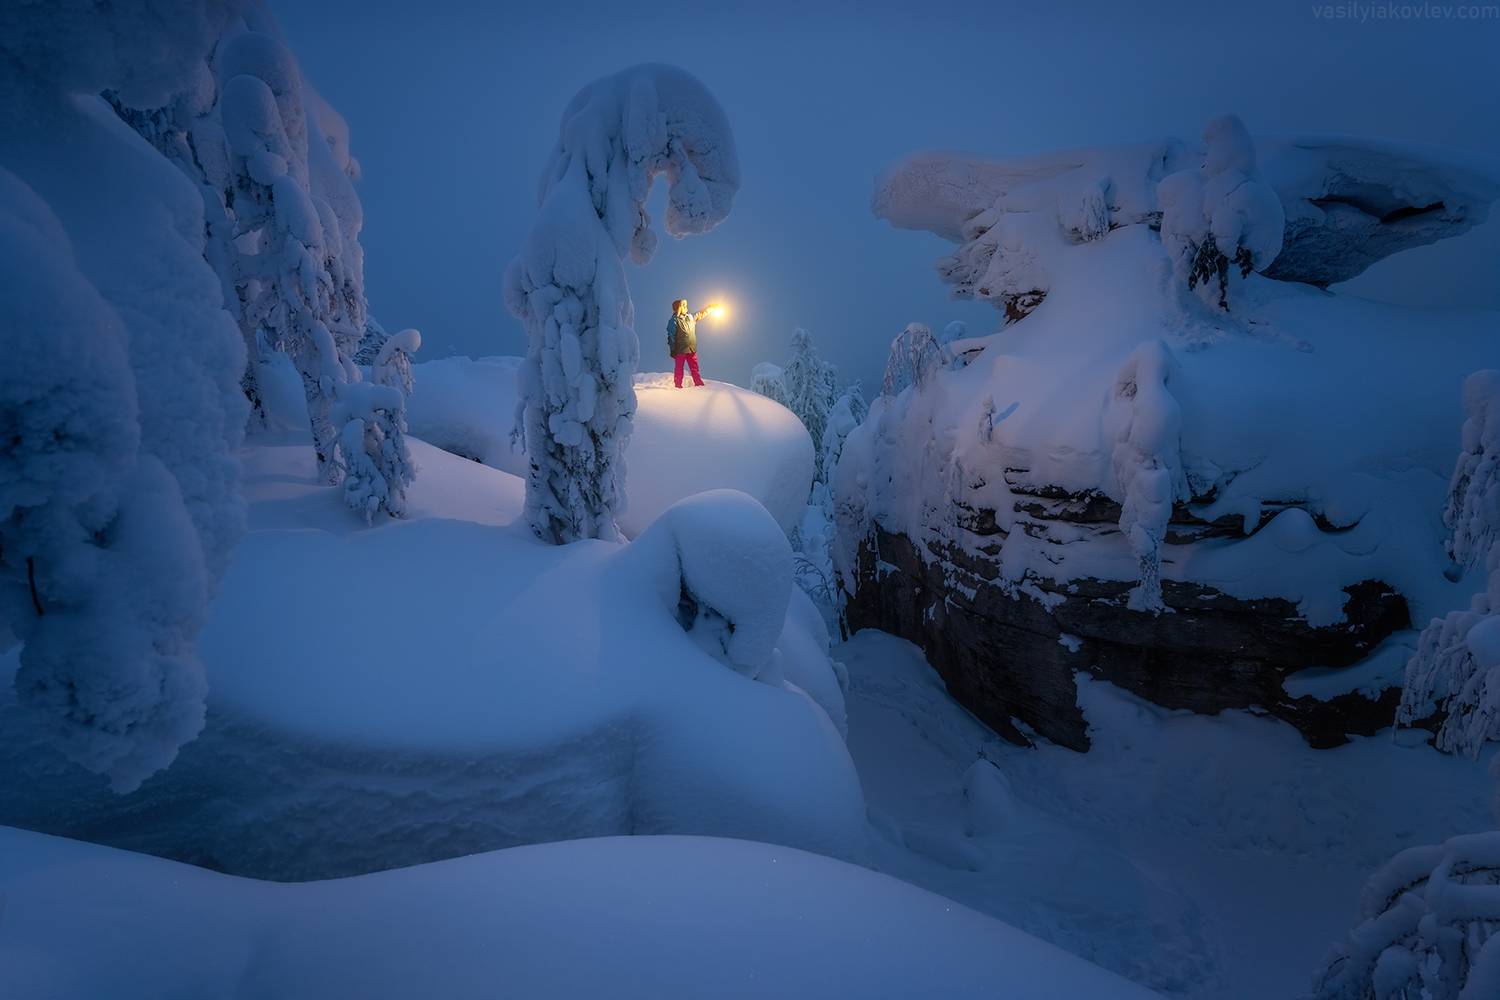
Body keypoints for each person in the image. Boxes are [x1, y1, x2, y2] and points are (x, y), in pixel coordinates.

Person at [666, 298, 715, 388]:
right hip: (680, 350)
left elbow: (700, 314)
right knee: (679, 368)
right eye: (683, 306)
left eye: (685, 305)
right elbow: (671, 336)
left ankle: (699, 384)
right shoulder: (674, 321)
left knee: (694, 368)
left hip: (691, 348)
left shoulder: (690, 317)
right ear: (679, 308)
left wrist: (710, 308)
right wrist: (672, 349)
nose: (686, 307)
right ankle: (678, 385)